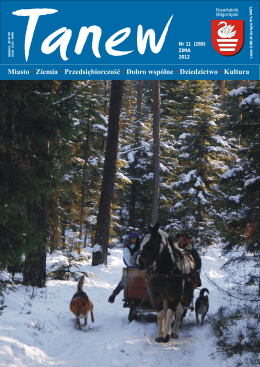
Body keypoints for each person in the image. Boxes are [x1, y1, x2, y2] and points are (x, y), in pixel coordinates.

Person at [108, 232, 140, 303]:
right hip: (132, 268)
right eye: (133, 239)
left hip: (142, 267)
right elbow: (128, 261)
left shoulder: (140, 245)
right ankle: (114, 294)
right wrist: (137, 265)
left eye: (136, 239)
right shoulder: (127, 248)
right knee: (124, 281)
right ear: (130, 239)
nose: (134, 240)